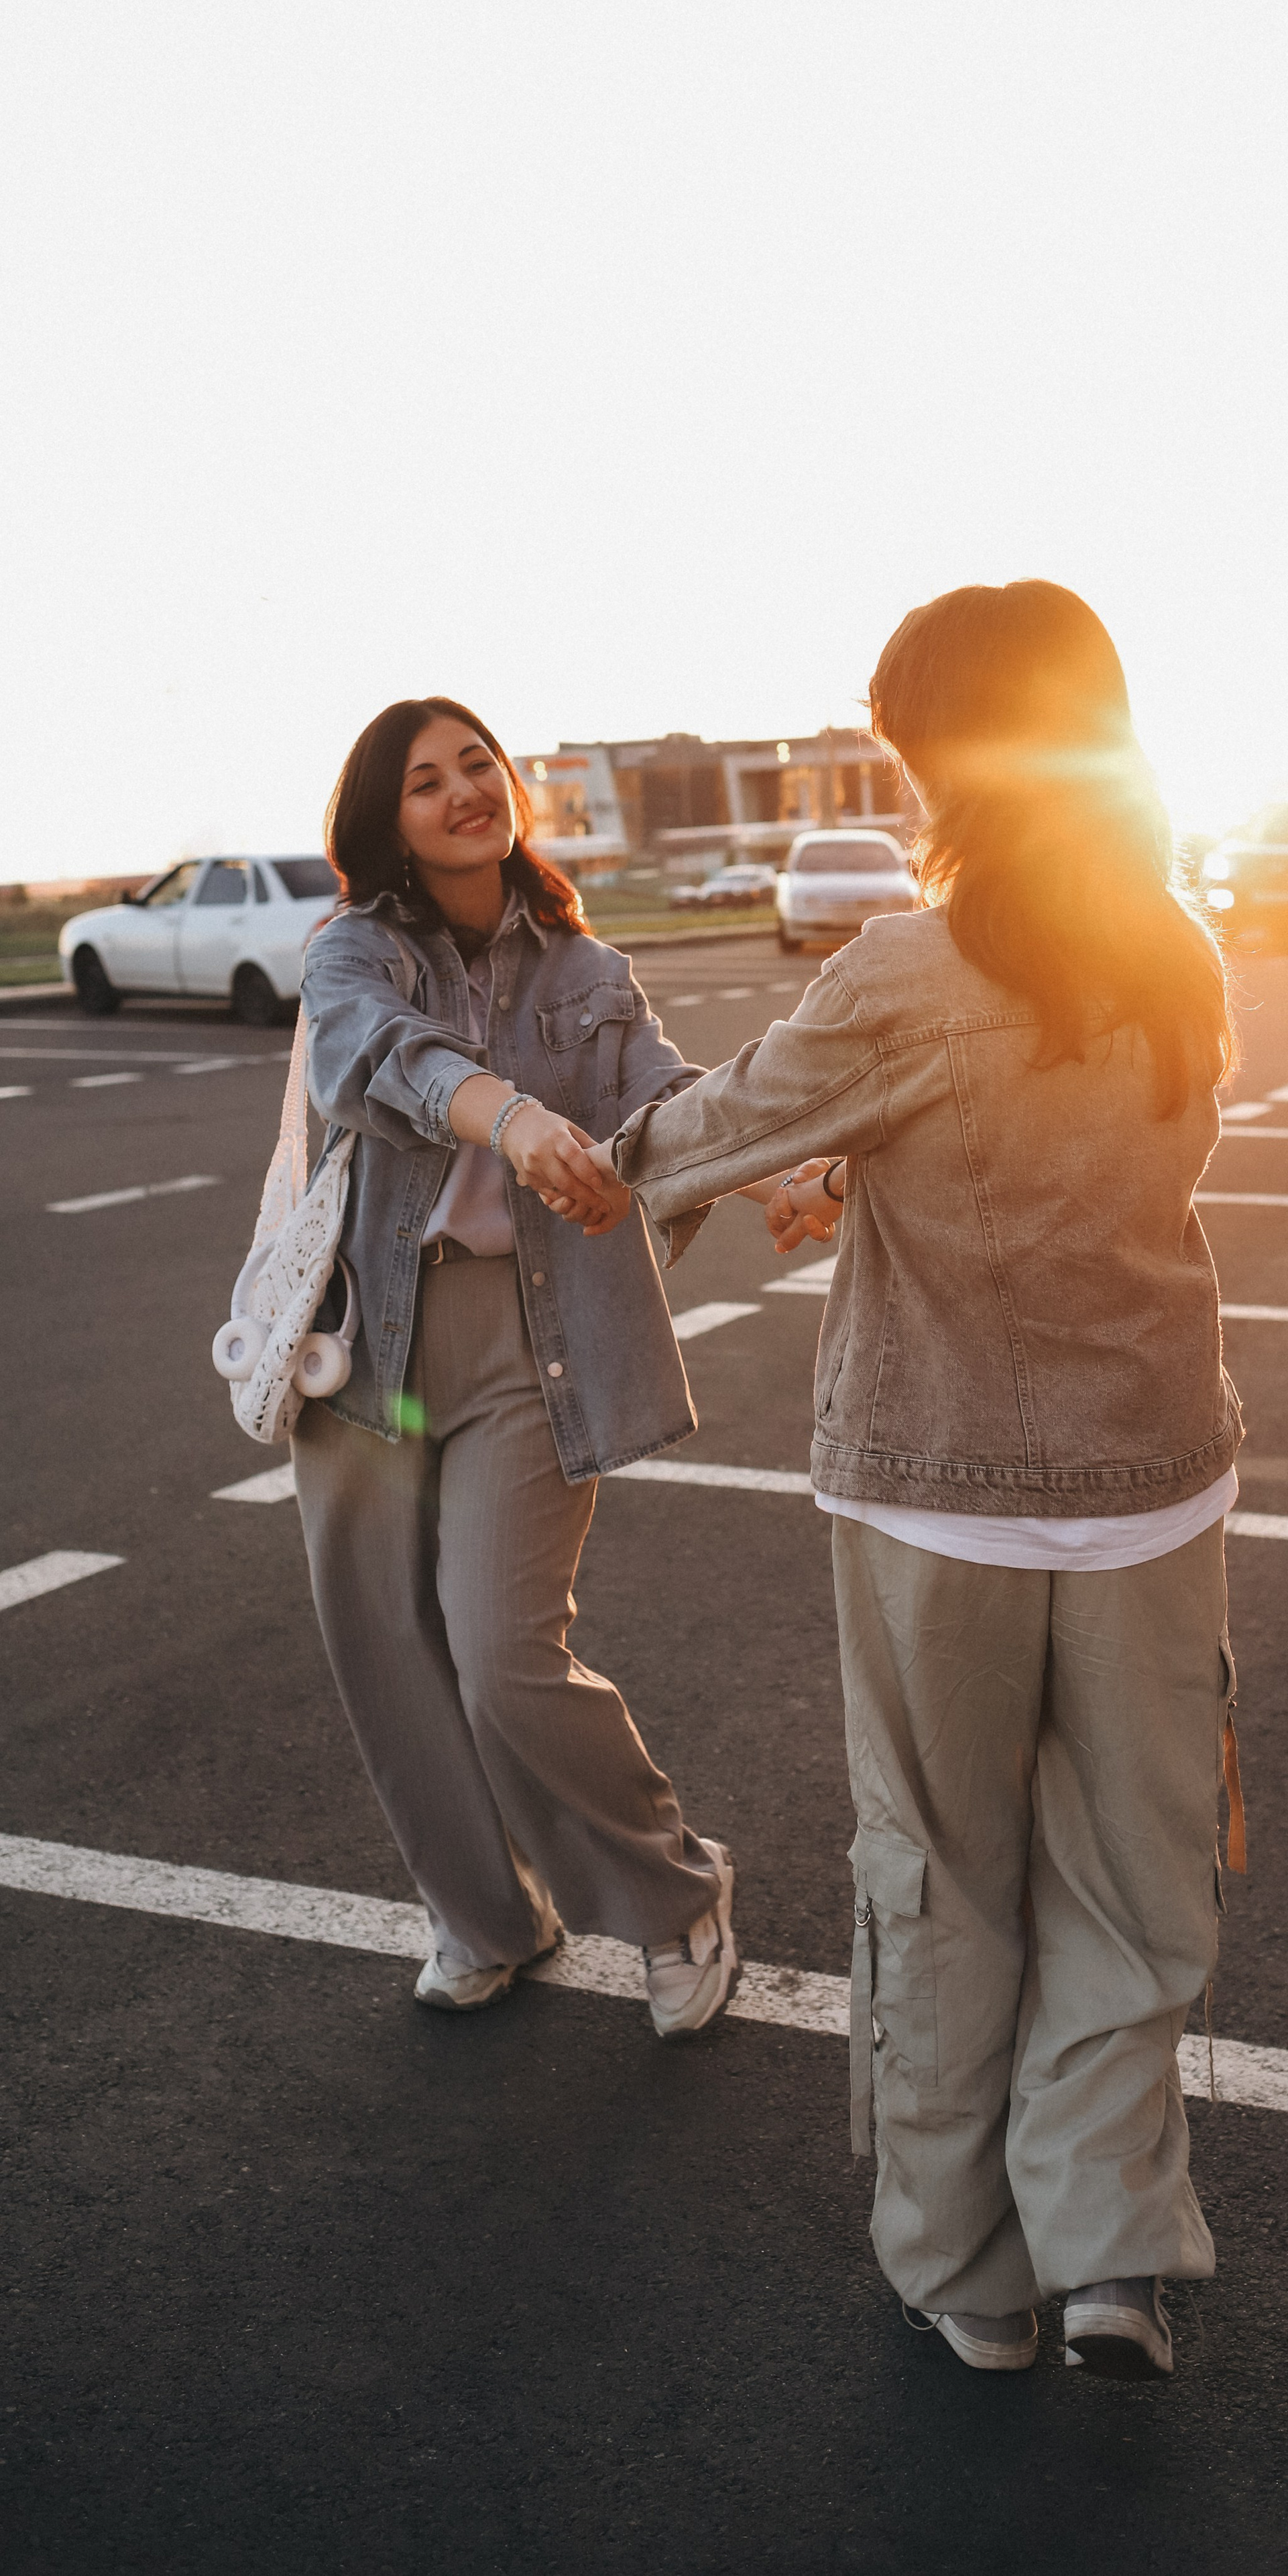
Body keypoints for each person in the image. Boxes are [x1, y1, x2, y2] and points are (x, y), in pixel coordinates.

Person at [572, 583, 1246, 2377]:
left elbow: (700, 1137)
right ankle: (1108, 2247)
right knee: (1131, 1875)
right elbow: (1073, 1174)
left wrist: (553, 1156)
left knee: (942, 1873)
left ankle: (969, 2273)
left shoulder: (902, 970)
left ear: (947, 751)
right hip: (1154, 1481)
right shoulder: (1177, 952)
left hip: (938, 1487)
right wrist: (880, 1180)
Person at [292, 695, 819, 2036]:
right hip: (375, 1344)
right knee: (389, 1656)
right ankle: (486, 1918)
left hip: (539, 1347)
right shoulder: (355, 952)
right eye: (425, 781)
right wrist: (514, 1119)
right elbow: (378, 1062)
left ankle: (672, 1893)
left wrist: (782, 1177)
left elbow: (662, 1101)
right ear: (386, 821)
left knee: (501, 1650)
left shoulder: (584, 973)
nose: (464, 790)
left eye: (478, 764)